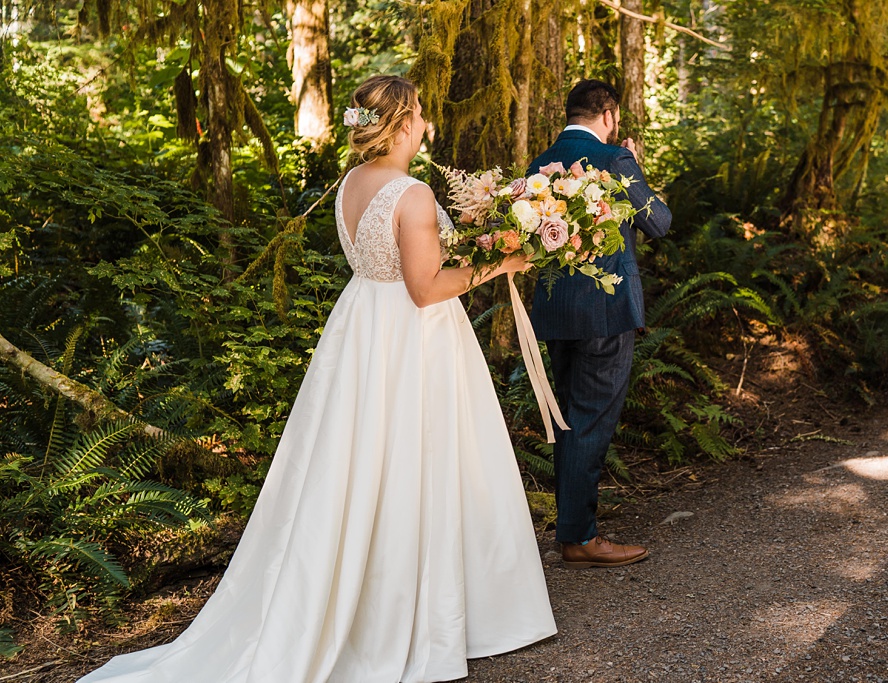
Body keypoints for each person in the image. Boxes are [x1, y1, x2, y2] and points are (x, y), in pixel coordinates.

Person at [78, 75, 556, 683]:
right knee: (416, 461)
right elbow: (425, 287)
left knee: (361, 466)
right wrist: (506, 260)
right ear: (403, 121)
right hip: (411, 340)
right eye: (420, 116)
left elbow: (403, 267)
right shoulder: (408, 194)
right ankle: (411, 617)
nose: (426, 126)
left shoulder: (352, 184)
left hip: (362, 329)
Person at [528, 79, 672, 569]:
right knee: (590, 420)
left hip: (554, 311)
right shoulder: (616, 160)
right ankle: (579, 538)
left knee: (571, 418)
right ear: (608, 115)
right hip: (605, 313)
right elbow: (659, 223)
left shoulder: (539, 165)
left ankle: (572, 530)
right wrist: (635, 168)